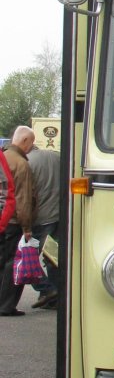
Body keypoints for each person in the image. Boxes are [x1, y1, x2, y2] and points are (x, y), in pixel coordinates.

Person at [0, 126, 38, 317]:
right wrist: (27, 227)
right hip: (14, 222)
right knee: (11, 264)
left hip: (2, 219)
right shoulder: (21, 164)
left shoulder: (3, 157)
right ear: (25, 141)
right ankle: (6, 305)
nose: (32, 147)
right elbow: (23, 198)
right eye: (31, 142)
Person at [27, 144, 60, 310]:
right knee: (52, 255)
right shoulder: (57, 157)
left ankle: (46, 288)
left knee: (28, 258)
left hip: (40, 218)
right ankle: (55, 295)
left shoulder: (28, 161)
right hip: (59, 215)